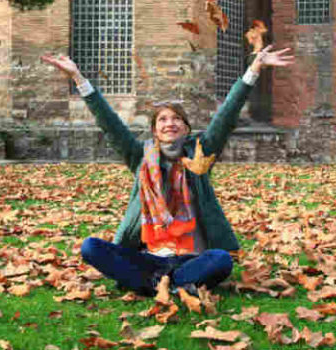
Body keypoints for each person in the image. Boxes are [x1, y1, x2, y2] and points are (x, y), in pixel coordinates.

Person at [41, 45, 294, 297]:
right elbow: (109, 123)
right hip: (148, 258)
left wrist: (254, 69)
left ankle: (159, 284)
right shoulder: (140, 156)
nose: (169, 123)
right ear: (154, 130)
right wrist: (78, 78)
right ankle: (169, 284)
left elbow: (226, 116)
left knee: (221, 261)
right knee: (91, 247)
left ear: (186, 128)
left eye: (176, 119)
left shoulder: (200, 155)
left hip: (190, 258)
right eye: (162, 119)